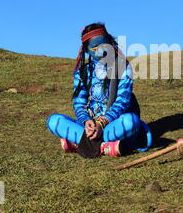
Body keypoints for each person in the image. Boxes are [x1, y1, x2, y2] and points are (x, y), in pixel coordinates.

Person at [47, 23, 152, 157]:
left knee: (131, 121)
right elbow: (79, 104)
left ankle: (80, 142)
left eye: (104, 45)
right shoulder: (82, 73)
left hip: (112, 123)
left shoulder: (123, 67)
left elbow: (122, 102)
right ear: (85, 50)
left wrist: (101, 124)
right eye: (94, 47)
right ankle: (105, 146)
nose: (101, 51)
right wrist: (86, 122)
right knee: (54, 121)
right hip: (90, 127)